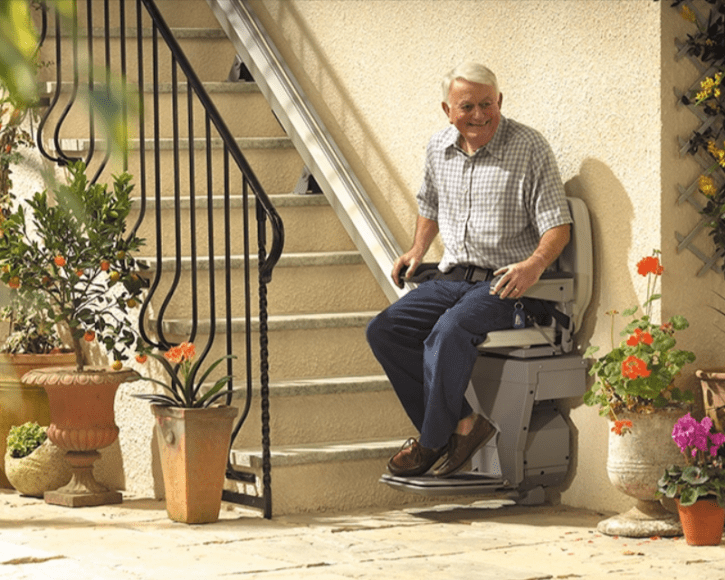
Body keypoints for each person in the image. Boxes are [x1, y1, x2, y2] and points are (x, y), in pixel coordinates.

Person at [366, 62, 572, 478]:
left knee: (449, 331)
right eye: (467, 107)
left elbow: (558, 225)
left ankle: (430, 442)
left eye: (486, 104)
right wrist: (417, 248)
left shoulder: (530, 148)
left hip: (507, 283)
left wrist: (534, 265)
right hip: (452, 276)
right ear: (447, 110)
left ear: (500, 102)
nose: (478, 115)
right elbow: (430, 205)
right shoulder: (438, 147)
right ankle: (463, 423)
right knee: (385, 330)